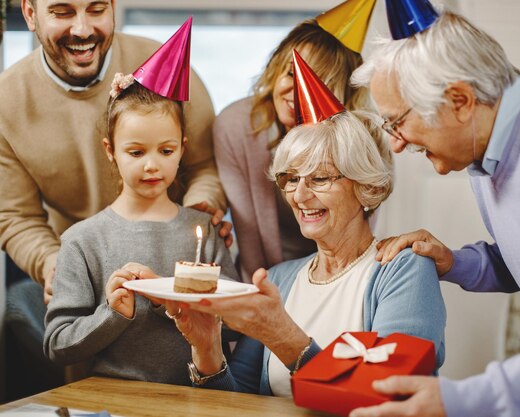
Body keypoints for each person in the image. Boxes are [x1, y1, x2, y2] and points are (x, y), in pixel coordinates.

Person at [349, 2, 520, 416]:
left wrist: (461, 400)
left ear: (459, 100)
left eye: (396, 122)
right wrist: (455, 262)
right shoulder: (486, 157)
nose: (396, 143)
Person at [161, 60, 446, 395]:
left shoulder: (404, 270)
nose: (299, 195)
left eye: (320, 178)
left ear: (366, 187)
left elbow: (389, 394)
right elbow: (239, 402)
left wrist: (282, 336)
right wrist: (208, 349)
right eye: (290, 179)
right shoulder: (280, 279)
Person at [0, 0, 229, 303]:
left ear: (112, 7)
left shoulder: (163, 63)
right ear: (30, 14)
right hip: (83, 268)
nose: (82, 29)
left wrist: (200, 211)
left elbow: (204, 166)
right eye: (62, 12)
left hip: (172, 257)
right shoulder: (7, 101)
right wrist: (52, 263)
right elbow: (17, 217)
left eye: (96, 10)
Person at [44, 32, 238, 383]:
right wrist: (112, 313)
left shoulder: (204, 229)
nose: (152, 165)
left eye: (166, 151)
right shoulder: (82, 241)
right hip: (114, 400)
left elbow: (239, 325)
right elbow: (58, 345)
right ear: (110, 150)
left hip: (196, 397)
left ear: (183, 148)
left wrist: (176, 299)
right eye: (136, 152)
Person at [213, 0, 375, 282]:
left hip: (337, 276)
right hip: (262, 278)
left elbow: (353, 237)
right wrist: (264, 295)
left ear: (342, 95)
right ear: (275, 69)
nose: (296, 90)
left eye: (316, 81)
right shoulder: (235, 127)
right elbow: (248, 230)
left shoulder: (361, 140)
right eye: (291, 73)